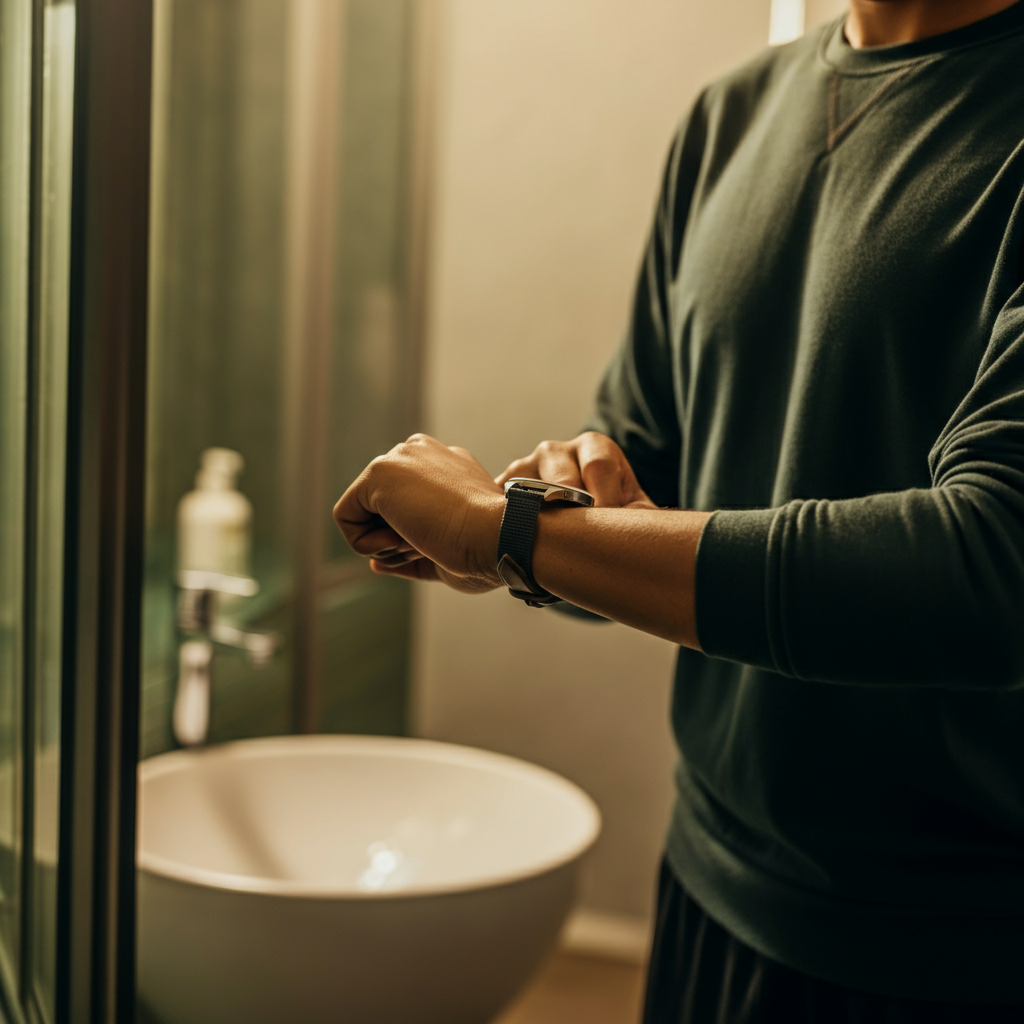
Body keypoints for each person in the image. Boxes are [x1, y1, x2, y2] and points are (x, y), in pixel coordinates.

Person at [335, 0, 1024, 1019]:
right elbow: (638, 472)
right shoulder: (731, 113)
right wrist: (543, 508)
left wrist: (510, 533)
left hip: (950, 951)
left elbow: (992, 569)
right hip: (708, 886)